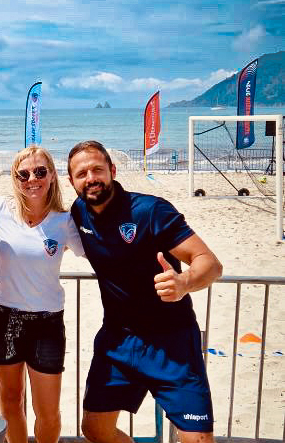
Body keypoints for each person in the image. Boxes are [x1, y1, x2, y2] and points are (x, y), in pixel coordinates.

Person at [67, 141, 223, 443]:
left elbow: (211, 264)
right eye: (81, 173)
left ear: (112, 171)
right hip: (118, 341)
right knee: (95, 429)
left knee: (198, 440)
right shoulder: (79, 212)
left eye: (97, 169)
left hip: (173, 341)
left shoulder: (151, 211)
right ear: (72, 181)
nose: (91, 178)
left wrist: (184, 282)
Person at [0, 146, 85, 443]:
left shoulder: (65, 222)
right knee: (10, 403)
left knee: (48, 412)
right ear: (15, 178)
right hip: (2, 319)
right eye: (23, 174)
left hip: (47, 324)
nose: (32, 179)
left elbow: (101, 253)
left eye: (40, 172)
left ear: (52, 175)